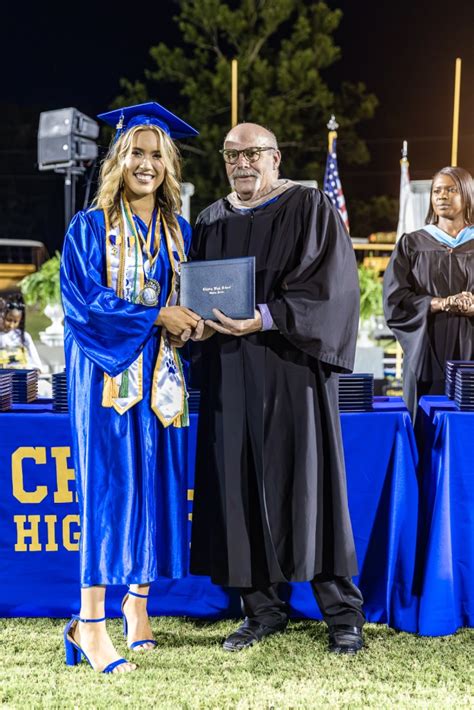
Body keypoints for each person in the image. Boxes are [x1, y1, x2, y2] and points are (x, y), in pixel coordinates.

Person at [189, 122, 365, 654]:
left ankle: (342, 615)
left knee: (308, 486)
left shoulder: (309, 207)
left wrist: (264, 316)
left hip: (292, 371)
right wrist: (195, 322)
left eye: (254, 154)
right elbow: (197, 288)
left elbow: (334, 288)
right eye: (232, 155)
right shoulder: (211, 219)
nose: (243, 163)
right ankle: (261, 609)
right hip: (230, 373)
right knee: (237, 485)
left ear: (276, 158)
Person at [60, 102, 201, 673]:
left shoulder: (178, 232)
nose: (147, 164)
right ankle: (89, 623)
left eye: (157, 156)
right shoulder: (89, 228)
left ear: (169, 167)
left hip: (163, 379)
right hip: (106, 375)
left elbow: (185, 300)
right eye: (137, 153)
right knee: (107, 487)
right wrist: (155, 319)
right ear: (118, 160)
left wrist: (189, 323)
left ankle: (136, 605)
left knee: (152, 484)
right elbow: (80, 303)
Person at [383, 166, 474, 416]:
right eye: (437, 191)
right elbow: (395, 300)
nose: (442, 196)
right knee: (426, 422)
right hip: (426, 346)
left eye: (451, 189)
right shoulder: (412, 244)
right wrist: (442, 303)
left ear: (467, 194)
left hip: (471, 346)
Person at [0, 296, 42, 370]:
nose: (11, 325)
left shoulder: (24, 337)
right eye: (8, 320)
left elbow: (37, 366)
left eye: (15, 321)